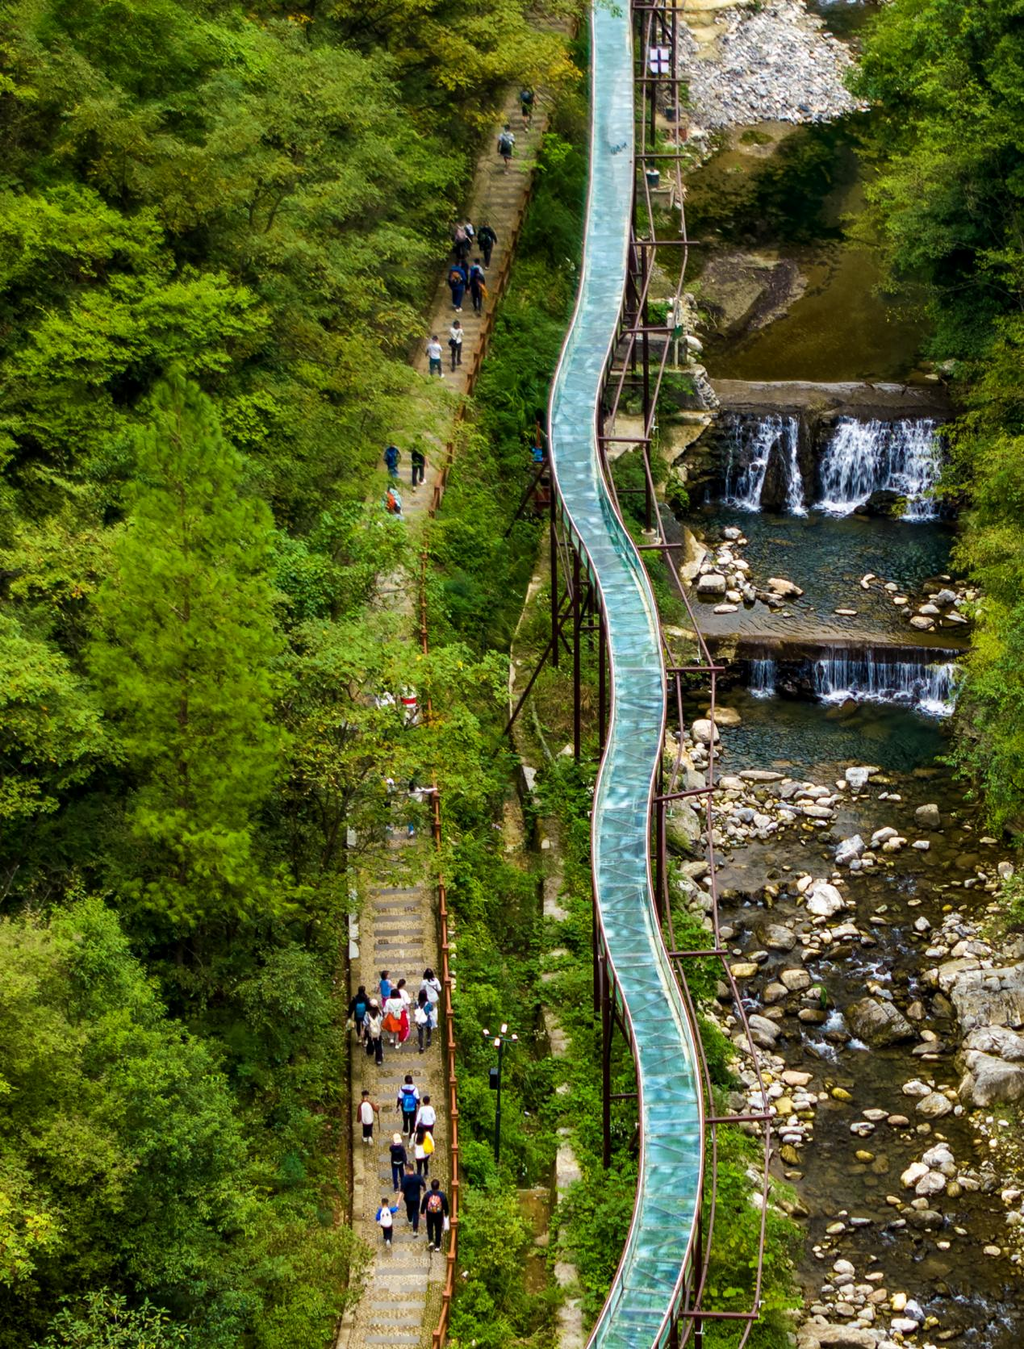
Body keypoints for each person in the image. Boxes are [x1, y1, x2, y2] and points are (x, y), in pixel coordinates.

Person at [421, 1179, 449, 1251]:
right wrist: (446, 1213)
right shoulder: (442, 1195)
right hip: (439, 1215)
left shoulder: (427, 1195)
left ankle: (431, 1241)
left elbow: (423, 1204)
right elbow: (445, 1205)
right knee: (438, 1229)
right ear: (438, 1186)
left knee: (429, 1227)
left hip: (429, 1214)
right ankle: (437, 1245)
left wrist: (422, 1212)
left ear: (431, 1186)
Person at [400, 1162, 427, 1236]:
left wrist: (398, 1200)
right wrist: (424, 1188)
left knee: (409, 1209)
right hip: (416, 1198)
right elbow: (423, 1183)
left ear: (408, 1169)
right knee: (415, 1213)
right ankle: (415, 1230)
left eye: (406, 1169)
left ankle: (409, 1220)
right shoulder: (418, 1177)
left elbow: (402, 1189)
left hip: (408, 1198)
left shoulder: (405, 1179)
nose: (405, 1171)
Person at [415, 988, 435, 1053]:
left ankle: (421, 1047)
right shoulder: (428, 1004)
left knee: (420, 1034)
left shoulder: (417, 1003)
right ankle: (428, 1039)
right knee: (428, 1028)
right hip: (427, 1018)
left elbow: (416, 1010)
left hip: (419, 1020)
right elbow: (432, 1009)